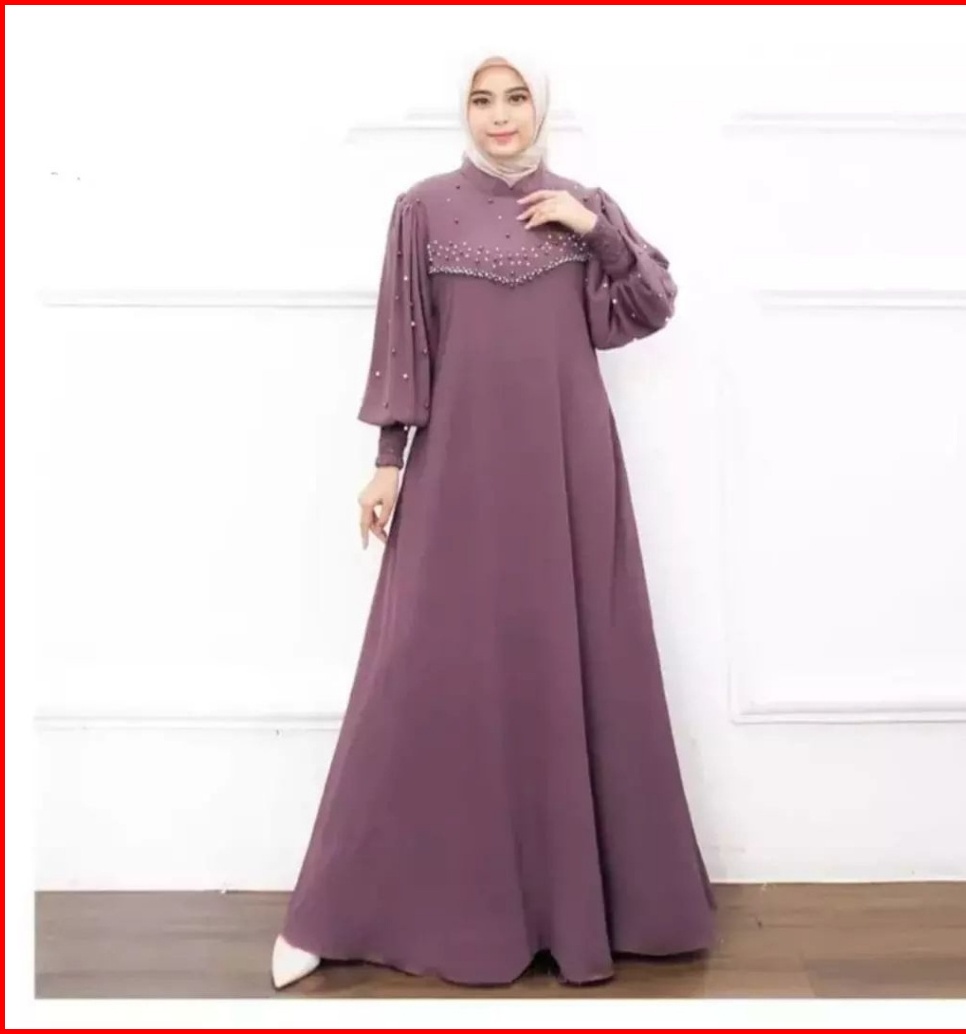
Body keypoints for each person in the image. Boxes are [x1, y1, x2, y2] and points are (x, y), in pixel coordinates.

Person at [271, 50, 717, 990]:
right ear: (464, 110)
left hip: (568, 473)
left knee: (572, 662)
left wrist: (594, 229)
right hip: (457, 474)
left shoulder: (583, 206)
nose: (500, 114)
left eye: (516, 98)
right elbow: (405, 342)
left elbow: (652, 305)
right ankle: (344, 907)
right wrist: (387, 463)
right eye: (482, 99)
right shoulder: (423, 209)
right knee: (418, 671)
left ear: (541, 107)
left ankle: (574, 910)